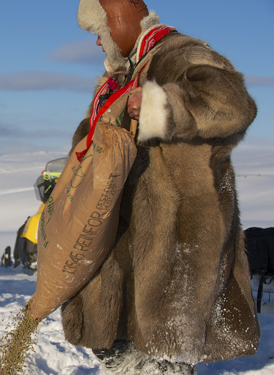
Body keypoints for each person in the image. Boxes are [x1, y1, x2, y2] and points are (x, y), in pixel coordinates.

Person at [60, 0, 260, 374]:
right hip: (124, 236)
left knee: (162, 356)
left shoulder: (181, 54)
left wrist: (161, 105)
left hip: (176, 234)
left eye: (99, 33)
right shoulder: (120, 79)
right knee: (114, 347)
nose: (99, 44)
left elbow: (234, 105)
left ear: (118, 22)